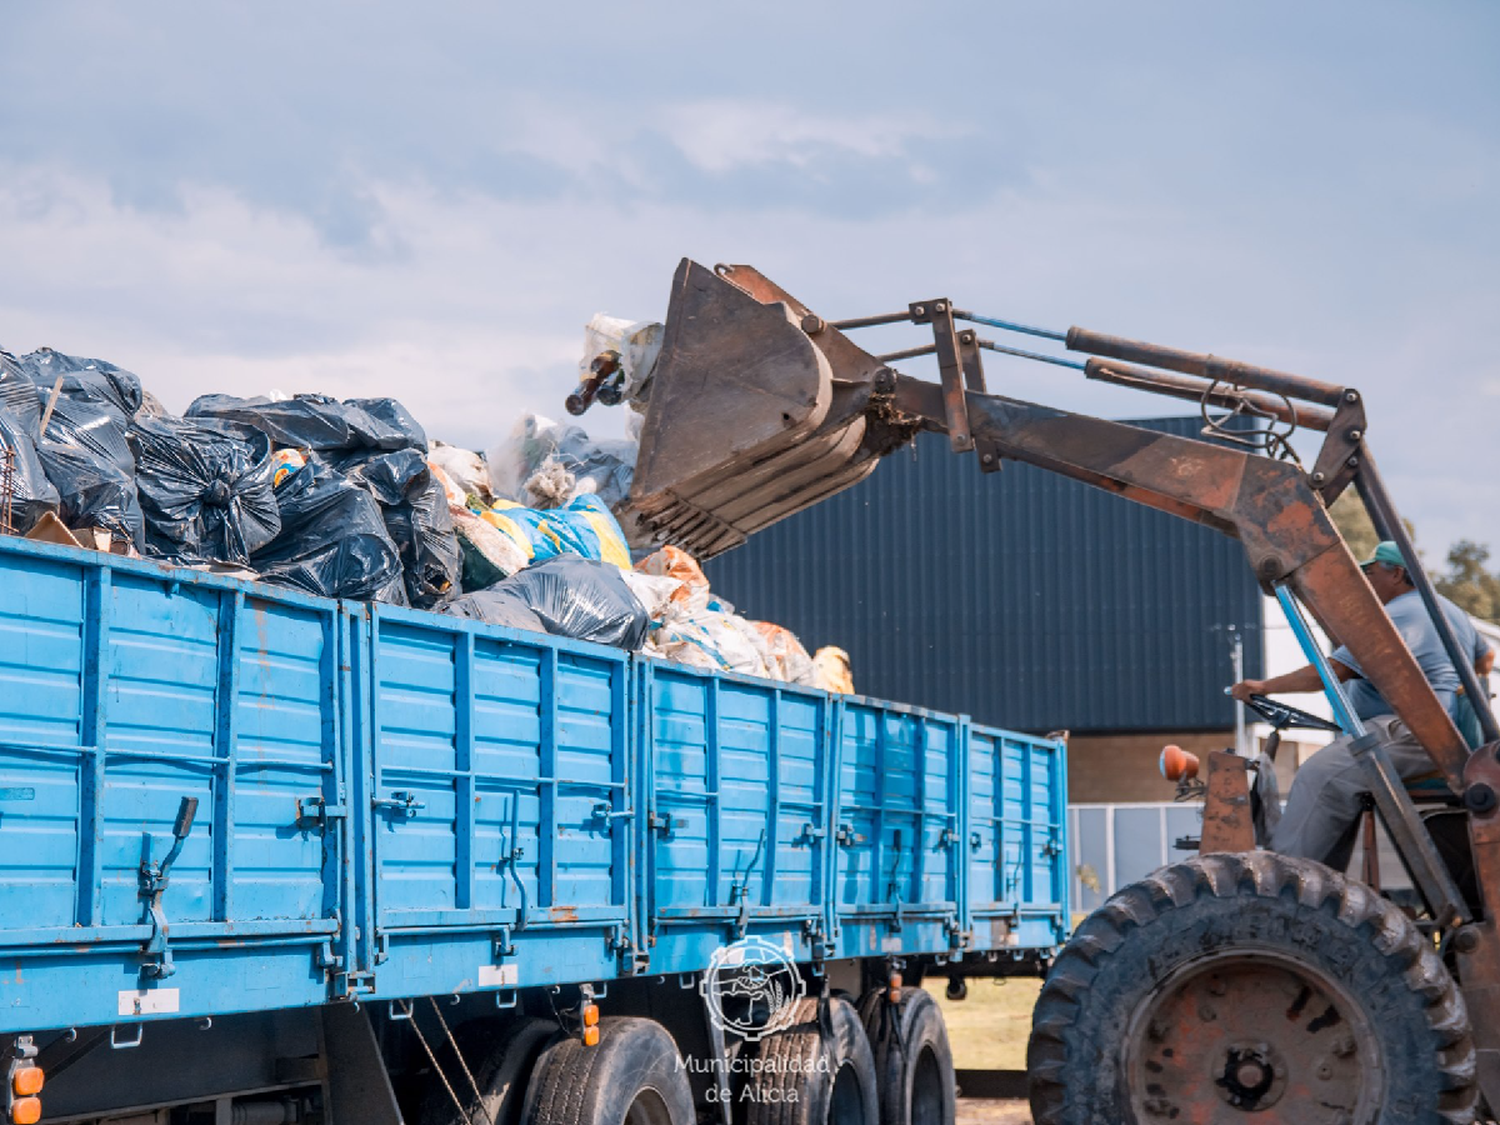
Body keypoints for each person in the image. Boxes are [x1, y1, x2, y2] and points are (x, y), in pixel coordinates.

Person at [1230, 541, 1493, 869]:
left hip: (1412, 732)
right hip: (1431, 732)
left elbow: (1335, 670)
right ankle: (1319, 884)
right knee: (1340, 771)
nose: (1365, 582)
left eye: (1369, 573)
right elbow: (1486, 657)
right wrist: (1461, 687)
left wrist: (1264, 686)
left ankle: (1281, 880)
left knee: (1321, 775)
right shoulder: (1446, 608)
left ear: (1396, 574)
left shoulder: (1400, 613)